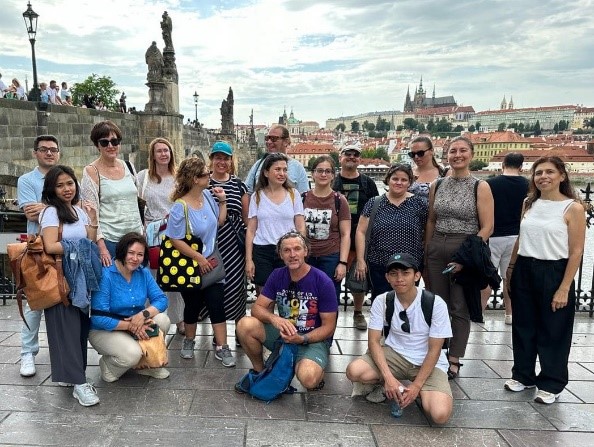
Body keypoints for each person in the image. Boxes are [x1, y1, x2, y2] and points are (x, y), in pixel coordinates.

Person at [504, 156, 586, 405]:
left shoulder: (573, 208)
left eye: (550, 172)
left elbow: (576, 252)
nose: (543, 177)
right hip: (526, 267)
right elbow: (521, 236)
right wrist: (511, 265)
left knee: (554, 328)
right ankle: (523, 375)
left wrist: (564, 287)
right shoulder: (529, 203)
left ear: (562, 175)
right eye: (539, 173)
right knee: (523, 325)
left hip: (554, 270)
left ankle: (551, 382)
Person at [346, 253, 453, 424]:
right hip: (395, 354)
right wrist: (388, 378)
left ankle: (417, 390)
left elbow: (435, 349)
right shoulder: (383, 301)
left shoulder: (435, 303)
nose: (399, 278)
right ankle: (388, 386)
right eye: (394, 274)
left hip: (427, 361)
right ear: (387, 277)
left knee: (439, 415)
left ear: (417, 276)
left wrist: (416, 387)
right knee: (355, 371)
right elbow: (373, 341)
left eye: (405, 273)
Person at [425, 136, 494, 380]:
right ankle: (437, 353)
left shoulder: (480, 186)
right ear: (447, 155)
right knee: (436, 304)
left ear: (471, 155)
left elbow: (487, 227)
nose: (457, 155)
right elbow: (432, 220)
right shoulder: (438, 184)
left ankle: (454, 358)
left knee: (459, 306)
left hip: (463, 246)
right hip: (437, 246)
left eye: (462, 150)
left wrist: (465, 257)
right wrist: (427, 251)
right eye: (453, 151)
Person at [236, 231, 338, 390]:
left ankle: (309, 366)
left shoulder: (322, 281)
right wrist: (275, 319)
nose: (292, 254)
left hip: (312, 339)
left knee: (309, 379)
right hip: (284, 333)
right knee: (245, 324)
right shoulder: (277, 275)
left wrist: (303, 338)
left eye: (297, 249)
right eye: (286, 250)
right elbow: (257, 308)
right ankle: (260, 371)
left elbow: (329, 327)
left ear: (306, 251)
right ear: (281, 255)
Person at [40, 165, 101, 406]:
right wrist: (79, 247)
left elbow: (91, 240)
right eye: (60, 185)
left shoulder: (79, 210)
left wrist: (93, 219)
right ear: (52, 189)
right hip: (61, 276)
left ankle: (73, 375)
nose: (67, 189)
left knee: (78, 328)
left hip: (81, 277)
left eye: (70, 183)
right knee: (65, 328)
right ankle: (79, 383)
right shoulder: (51, 213)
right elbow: (50, 245)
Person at [166, 157, 235, 366]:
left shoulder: (207, 196)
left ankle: (222, 347)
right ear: (195, 179)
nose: (210, 176)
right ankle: (189, 340)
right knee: (192, 305)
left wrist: (222, 201)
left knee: (216, 304)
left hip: (211, 262)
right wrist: (198, 258)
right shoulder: (180, 207)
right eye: (205, 174)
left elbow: (220, 222)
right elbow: (174, 239)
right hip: (191, 265)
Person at [89, 232, 171, 382]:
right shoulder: (106, 274)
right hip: (105, 329)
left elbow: (161, 299)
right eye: (131, 253)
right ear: (122, 251)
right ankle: (109, 367)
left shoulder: (143, 273)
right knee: (132, 354)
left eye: (140, 254)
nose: (135, 258)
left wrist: (143, 315)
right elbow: (98, 318)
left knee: (162, 320)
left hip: (137, 322)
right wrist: (131, 326)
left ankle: (146, 365)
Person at [16, 135, 62, 378]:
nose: (49, 153)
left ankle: (60, 353)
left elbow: (71, 209)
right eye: (44, 149)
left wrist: (45, 208)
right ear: (35, 153)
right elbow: (31, 213)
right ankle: (27, 353)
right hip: (36, 248)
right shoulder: (27, 180)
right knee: (34, 303)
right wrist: (56, 208)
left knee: (62, 301)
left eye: (53, 150)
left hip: (61, 247)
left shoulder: (63, 176)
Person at [355, 164, 428, 300]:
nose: (399, 183)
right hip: (379, 263)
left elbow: (427, 231)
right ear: (388, 180)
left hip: (410, 265)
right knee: (382, 301)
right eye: (395, 179)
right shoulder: (374, 202)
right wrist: (360, 260)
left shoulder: (419, 204)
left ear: (410, 182)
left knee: (408, 302)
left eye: (404, 180)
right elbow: (360, 231)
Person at [137, 137, 184, 334]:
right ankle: (152, 316)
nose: (164, 154)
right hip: (151, 232)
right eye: (159, 151)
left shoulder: (178, 177)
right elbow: (135, 204)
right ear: (153, 155)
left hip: (173, 230)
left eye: (166, 150)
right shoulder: (143, 177)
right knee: (153, 276)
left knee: (177, 275)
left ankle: (180, 318)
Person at [81, 120, 143, 264]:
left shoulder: (129, 166)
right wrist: (102, 247)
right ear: (97, 145)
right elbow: (91, 213)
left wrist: (142, 231)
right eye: (104, 142)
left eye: (115, 141)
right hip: (111, 241)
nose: (110, 146)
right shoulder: (91, 171)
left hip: (135, 238)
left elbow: (136, 201)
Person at [245, 152, 306, 296]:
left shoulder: (293, 194)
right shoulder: (257, 196)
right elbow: (251, 230)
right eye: (277, 169)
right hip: (263, 250)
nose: (282, 173)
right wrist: (249, 259)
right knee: (265, 297)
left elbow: (300, 225)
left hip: (288, 250)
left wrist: (301, 250)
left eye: (285, 170)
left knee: (289, 296)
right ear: (266, 172)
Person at [333, 144, 379, 330]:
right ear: (340, 157)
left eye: (355, 155)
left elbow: (376, 209)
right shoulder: (332, 181)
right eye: (348, 154)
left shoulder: (368, 183)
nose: (351, 157)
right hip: (335, 238)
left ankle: (358, 312)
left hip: (360, 238)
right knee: (332, 278)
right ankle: (330, 311)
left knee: (359, 279)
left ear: (359, 159)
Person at [481, 153, 529, 323]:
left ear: (502, 164)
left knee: (487, 275)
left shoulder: (490, 184)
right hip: (516, 236)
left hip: (493, 235)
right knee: (509, 277)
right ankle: (509, 314)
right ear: (521, 167)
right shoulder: (528, 185)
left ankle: (480, 310)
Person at [208, 141, 249, 336]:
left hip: (233, 242)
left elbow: (246, 218)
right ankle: (218, 333)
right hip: (210, 241)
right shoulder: (203, 182)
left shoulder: (238, 184)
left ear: (231, 161)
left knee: (235, 286)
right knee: (213, 287)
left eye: (225, 158)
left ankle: (240, 332)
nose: (221, 162)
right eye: (218, 157)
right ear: (212, 159)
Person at [302, 156, 350, 303]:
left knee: (329, 299)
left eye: (328, 171)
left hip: (330, 256)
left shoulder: (339, 200)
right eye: (320, 171)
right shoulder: (302, 198)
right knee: (306, 298)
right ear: (313, 174)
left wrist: (342, 263)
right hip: (306, 257)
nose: (323, 174)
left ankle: (329, 327)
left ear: (333, 175)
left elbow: (346, 233)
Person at [244, 124, 309, 194]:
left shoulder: (297, 167)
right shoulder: (258, 164)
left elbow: (304, 196)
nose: (269, 142)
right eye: (267, 138)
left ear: (286, 142)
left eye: (273, 139)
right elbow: (247, 193)